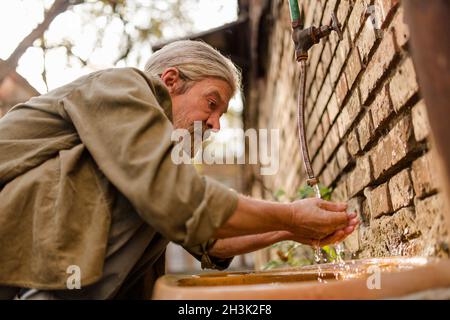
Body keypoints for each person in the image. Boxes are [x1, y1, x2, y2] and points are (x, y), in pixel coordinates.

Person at [0, 40, 358, 299]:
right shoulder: (124, 85)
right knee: (151, 190)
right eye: (211, 103)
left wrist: (289, 230)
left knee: (163, 195)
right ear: (171, 80)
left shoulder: (154, 157)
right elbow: (181, 202)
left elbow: (210, 240)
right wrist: (292, 215)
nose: (215, 125)